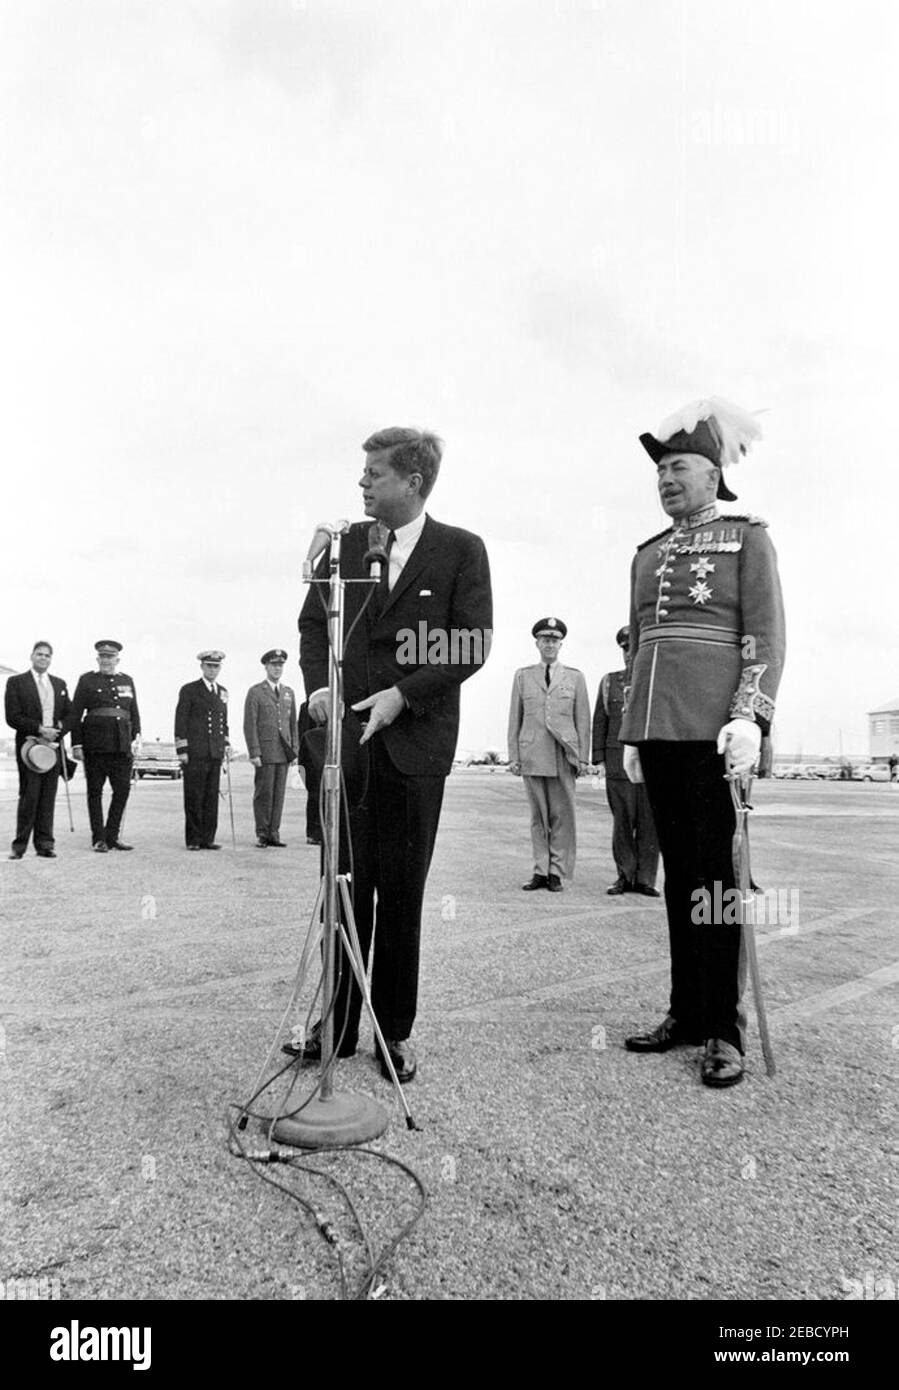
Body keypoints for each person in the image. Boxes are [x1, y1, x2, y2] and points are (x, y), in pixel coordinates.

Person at [296, 425, 492, 1083]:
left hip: (414, 746)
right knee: (343, 887)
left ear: (411, 481)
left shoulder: (461, 550)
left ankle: (390, 1032)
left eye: (373, 474)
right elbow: (311, 623)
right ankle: (337, 1024)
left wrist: (402, 696)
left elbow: (470, 643)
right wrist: (322, 685)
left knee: (402, 894)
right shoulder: (347, 544)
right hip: (345, 750)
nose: (361, 485)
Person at [619, 397, 786, 1088]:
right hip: (658, 733)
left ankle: (723, 1026)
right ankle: (685, 1011)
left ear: (713, 473)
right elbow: (640, 648)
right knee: (679, 881)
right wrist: (632, 728)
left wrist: (750, 716)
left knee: (716, 884)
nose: (665, 480)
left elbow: (765, 635)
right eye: (659, 470)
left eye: (678, 467)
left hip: (714, 734)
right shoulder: (647, 553)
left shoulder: (746, 539)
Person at [507, 618, 591, 892]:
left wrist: (582, 758)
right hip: (532, 753)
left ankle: (556, 872)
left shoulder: (575, 677)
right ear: (537, 643)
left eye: (554, 640)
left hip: (563, 755)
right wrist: (514, 756)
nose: (550, 644)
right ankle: (540, 871)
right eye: (545, 640)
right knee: (538, 818)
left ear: (561, 644)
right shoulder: (522, 676)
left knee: (562, 818)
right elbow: (514, 719)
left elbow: (583, 720)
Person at [592, 626, 660, 896]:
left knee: (650, 823)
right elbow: (600, 720)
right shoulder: (610, 681)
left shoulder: (656, 680)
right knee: (622, 822)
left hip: (651, 765)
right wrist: (598, 757)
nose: (629, 653)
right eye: (625, 648)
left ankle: (645, 879)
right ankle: (624, 876)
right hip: (618, 763)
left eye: (634, 647)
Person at [67, 640, 141, 852]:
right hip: (95, 746)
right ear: (98, 658)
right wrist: (77, 743)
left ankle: (113, 835)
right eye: (103, 657)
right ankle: (99, 838)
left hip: (121, 746)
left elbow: (134, 712)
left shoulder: (127, 680)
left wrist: (135, 739)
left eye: (111, 657)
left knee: (122, 791)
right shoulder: (87, 680)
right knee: (95, 792)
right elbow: (75, 713)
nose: (106, 660)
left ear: (117, 659)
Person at [5, 641, 72, 859]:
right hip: (30, 746)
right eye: (39, 654)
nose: (43, 658)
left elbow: (70, 715)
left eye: (47, 655)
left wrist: (59, 729)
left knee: (48, 796)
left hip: (52, 747)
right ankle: (20, 845)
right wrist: (39, 729)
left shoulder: (59, 684)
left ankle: (45, 843)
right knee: (29, 795)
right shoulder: (16, 682)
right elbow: (12, 716)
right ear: (32, 656)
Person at [174, 651, 230, 850]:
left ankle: (208, 838)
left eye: (216, 666)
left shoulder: (222, 691)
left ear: (219, 668)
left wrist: (226, 746)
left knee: (211, 797)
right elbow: (180, 720)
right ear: (202, 667)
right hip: (195, 752)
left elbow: (224, 722)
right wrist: (182, 749)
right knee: (194, 796)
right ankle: (193, 839)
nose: (212, 670)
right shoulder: (189, 690)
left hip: (214, 752)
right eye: (209, 666)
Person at [243, 649, 299, 847]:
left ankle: (274, 832)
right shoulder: (256, 692)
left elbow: (293, 724)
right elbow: (250, 724)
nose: (277, 668)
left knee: (278, 795)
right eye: (273, 665)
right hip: (265, 752)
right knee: (263, 794)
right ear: (266, 667)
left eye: (280, 665)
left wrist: (295, 750)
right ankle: (262, 833)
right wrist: (254, 752)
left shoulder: (288, 693)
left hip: (283, 752)